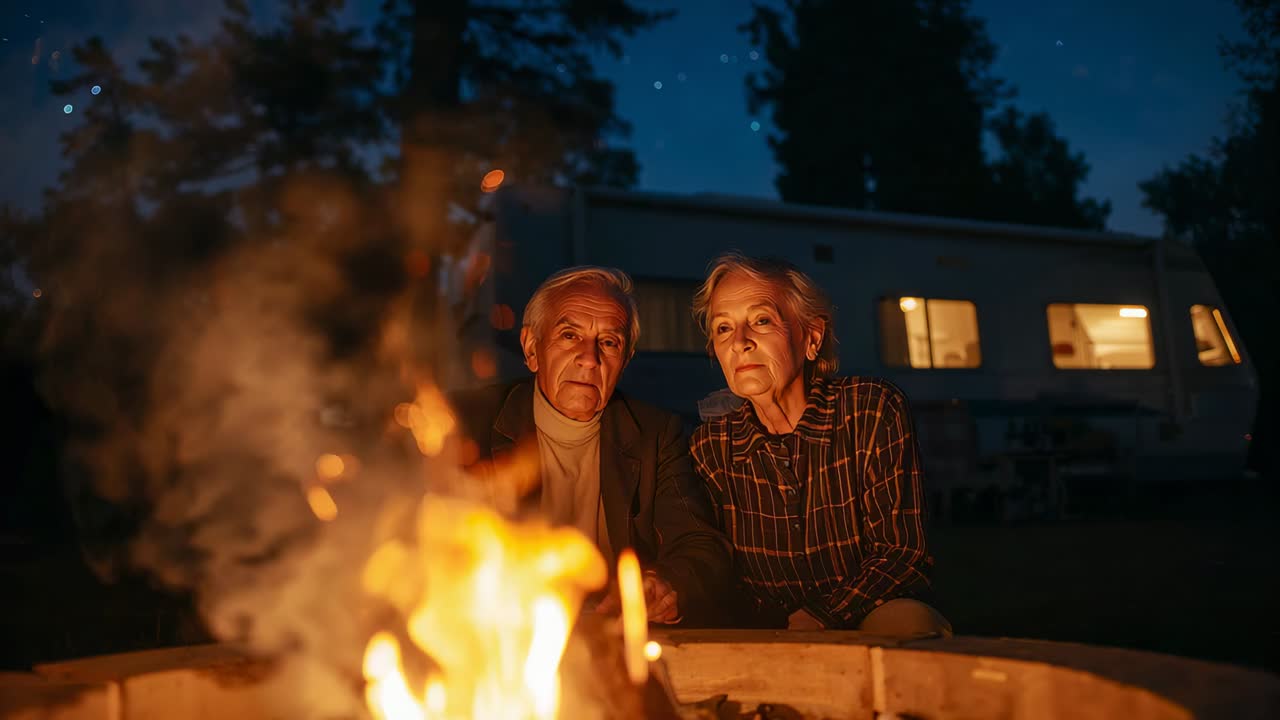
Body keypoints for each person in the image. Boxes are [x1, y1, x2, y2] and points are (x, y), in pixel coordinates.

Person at [450, 266, 733, 626]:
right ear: (532, 348)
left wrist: (664, 584)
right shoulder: (464, 424)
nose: (589, 357)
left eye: (609, 343)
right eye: (569, 336)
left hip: (613, 637)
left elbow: (700, 545)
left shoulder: (654, 434)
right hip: (496, 637)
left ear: (625, 361)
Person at [689, 252, 951, 637]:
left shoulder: (869, 410)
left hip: (867, 612)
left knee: (911, 624)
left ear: (812, 337)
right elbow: (716, 565)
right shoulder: (711, 447)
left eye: (761, 320)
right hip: (767, 629)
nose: (740, 342)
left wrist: (820, 616)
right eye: (723, 328)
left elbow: (902, 554)